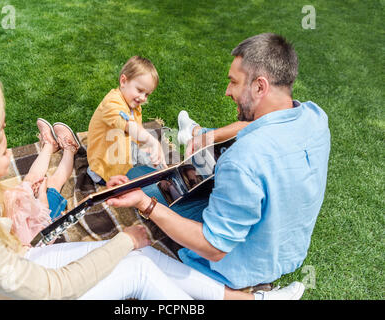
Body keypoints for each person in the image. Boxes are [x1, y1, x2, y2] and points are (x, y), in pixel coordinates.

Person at [0, 61, 199, 300]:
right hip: (21, 287)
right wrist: (125, 239)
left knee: (143, 254)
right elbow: (53, 289)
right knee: (138, 267)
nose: (5, 126)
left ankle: (228, 296)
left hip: (19, 262)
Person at [107, 33, 331, 300]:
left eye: (234, 82)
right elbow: (263, 128)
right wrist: (209, 137)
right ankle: (195, 133)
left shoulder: (243, 161)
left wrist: (147, 205)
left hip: (241, 264)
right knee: (174, 174)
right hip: (287, 251)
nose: (228, 91)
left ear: (260, 87)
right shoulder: (315, 116)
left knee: (140, 180)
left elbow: (213, 247)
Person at [0, 118, 80, 246]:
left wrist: (26, 191)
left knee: (31, 179)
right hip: (36, 230)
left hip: (22, 215)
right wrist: (42, 202)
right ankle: (70, 150)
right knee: (53, 184)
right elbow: (33, 240)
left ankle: (49, 145)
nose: (9, 153)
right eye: (3, 153)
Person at [86, 56, 167, 185]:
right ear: (123, 81)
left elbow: (135, 131)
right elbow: (129, 126)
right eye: (140, 90)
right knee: (147, 184)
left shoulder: (133, 105)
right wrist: (152, 141)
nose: (142, 98)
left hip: (122, 154)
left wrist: (143, 146)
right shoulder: (111, 103)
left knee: (158, 168)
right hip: (105, 169)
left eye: (147, 94)